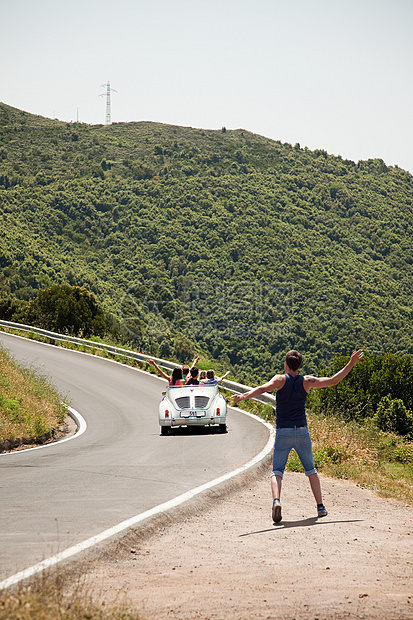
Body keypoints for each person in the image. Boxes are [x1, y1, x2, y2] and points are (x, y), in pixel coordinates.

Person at [232, 349, 364, 523]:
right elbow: (334, 381)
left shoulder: (279, 379)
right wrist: (351, 363)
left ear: (286, 364)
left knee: (277, 471)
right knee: (311, 470)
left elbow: (262, 388)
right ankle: (320, 507)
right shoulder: (307, 381)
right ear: (299, 365)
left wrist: (243, 397)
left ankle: (277, 501)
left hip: (283, 431)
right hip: (302, 431)